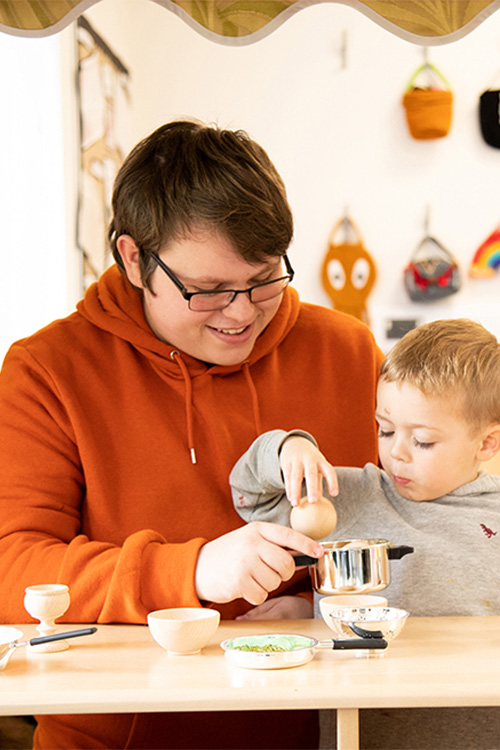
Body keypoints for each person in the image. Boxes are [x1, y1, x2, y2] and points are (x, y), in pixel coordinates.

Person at [0, 120, 383, 750]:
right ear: (133, 258)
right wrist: (193, 571)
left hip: (326, 730)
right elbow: (14, 571)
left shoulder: (349, 352)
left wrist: (322, 603)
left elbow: (425, 531)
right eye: (206, 291)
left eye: (263, 278)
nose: (240, 312)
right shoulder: (48, 370)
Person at [230, 317, 500, 749]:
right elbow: (251, 501)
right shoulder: (353, 494)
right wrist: (284, 448)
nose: (396, 452)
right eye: (386, 429)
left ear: (486, 444)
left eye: (424, 441)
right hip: (363, 736)